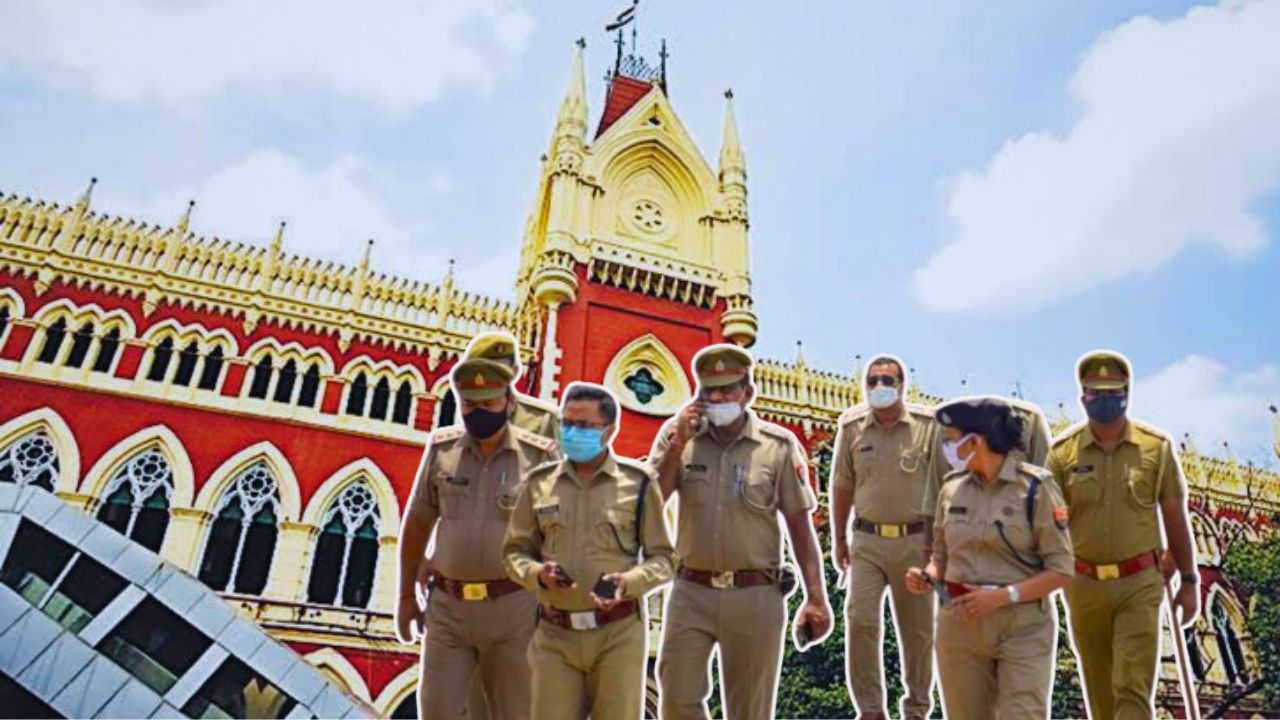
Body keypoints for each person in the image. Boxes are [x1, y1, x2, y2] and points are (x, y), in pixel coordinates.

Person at [650, 344, 833, 720]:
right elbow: (650, 501)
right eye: (708, 390)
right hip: (690, 592)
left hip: (756, 594)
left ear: (747, 393)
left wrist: (817, 598)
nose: (716, 397)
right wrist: (678, 443)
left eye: (727, 389)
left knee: (749, 709)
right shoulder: (677, 435)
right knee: (676, 697)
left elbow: (800, 527)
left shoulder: (778, 446)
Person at [394, 357, 559, 720]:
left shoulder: (540, 458)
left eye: (489, 403)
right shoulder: (442, 450)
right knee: (437, 711)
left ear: (509, 402)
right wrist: (406, 596)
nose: (478, 412)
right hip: (448, 609)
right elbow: (418, 522)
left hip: (514, 609)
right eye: (469, 404)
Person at [503, 382, 676, 719]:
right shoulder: (539, 484)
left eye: (583, 426)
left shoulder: (639, 483)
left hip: (618, 635)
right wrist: (538, 573)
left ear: (609, 430)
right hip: (554, 635)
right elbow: (513, 554)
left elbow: (665, 560)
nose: (571, 432)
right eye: (566, 423)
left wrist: (628, 583)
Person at [1046, 351, 1199, 720]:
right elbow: (1048, 524)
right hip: (1084, 585)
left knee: (1131, 687)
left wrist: (1190, 579)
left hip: (1140, 583)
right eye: (1095, 392)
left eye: (1112, 391)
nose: (1104, 399)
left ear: (1128, 392)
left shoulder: (1155, 448)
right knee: (1101, 696)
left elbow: (1175, 516)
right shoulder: (1061, 454)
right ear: (1082, 396)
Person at [906, 396, 1074, 719]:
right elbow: (941, 554)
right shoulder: (951, 489)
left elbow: (1061, 569)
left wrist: (1001, 597)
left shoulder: (1036, 489)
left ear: (976, 441)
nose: (947, 448)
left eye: (953, 440)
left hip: (1021, 626)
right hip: (960, 625)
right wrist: (928, 574)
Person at [829, 355, 937, 720]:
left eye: (887, 380)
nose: (879, 387)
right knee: (860, 620)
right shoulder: (852, 427)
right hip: (868, 542)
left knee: (918, 631)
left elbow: (946, 487)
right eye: (873, 381)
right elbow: (842, 484)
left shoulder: (928, 427)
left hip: (917, 543)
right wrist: (839, 539)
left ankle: (917, 708)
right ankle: (871, 710)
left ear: (902, 385)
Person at [921, 395, 1051, 559]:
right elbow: (933, 497)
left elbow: (1046, 500)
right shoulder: (947, 425)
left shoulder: (1030, 421)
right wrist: (929, 555)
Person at [465, 331, 562, 446]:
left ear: (515, 371)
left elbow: (556, 461)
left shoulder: (543, 419)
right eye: (487, 370)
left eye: (502, 370)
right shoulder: (464, 413)